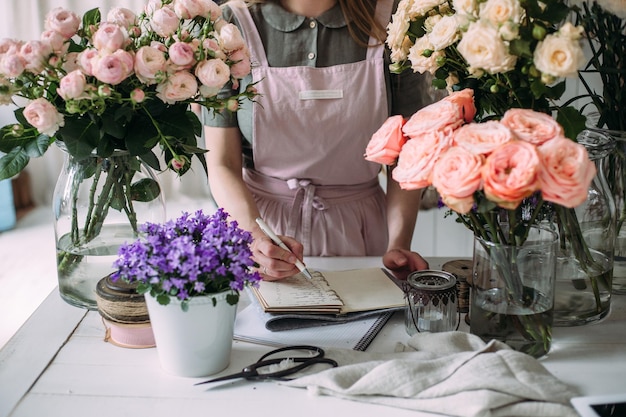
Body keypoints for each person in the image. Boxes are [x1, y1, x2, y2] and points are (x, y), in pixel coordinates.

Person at [204, 0, 433, 281]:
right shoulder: (230, 25)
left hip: (361, 233)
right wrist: (255, 237)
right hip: (261, 232)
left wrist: (398, 244)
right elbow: (222, 163)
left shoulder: (393, 19)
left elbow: (406, 154)